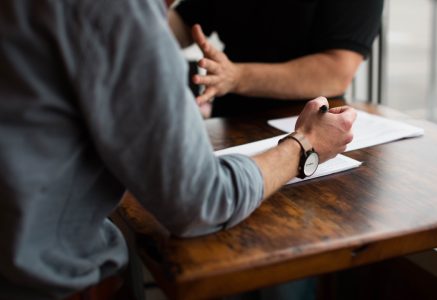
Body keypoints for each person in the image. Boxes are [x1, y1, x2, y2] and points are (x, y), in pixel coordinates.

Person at [0, 0, 356, 299]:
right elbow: (200, 201)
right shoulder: (119, 12)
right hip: (43, 281)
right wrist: (305, 145)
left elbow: (339, 68)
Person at [167, 0, 384, 117]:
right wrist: (144, 15)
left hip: (308, 124)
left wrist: (236, 77)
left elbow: (336, 70)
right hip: (231, 119)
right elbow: (184, 24)